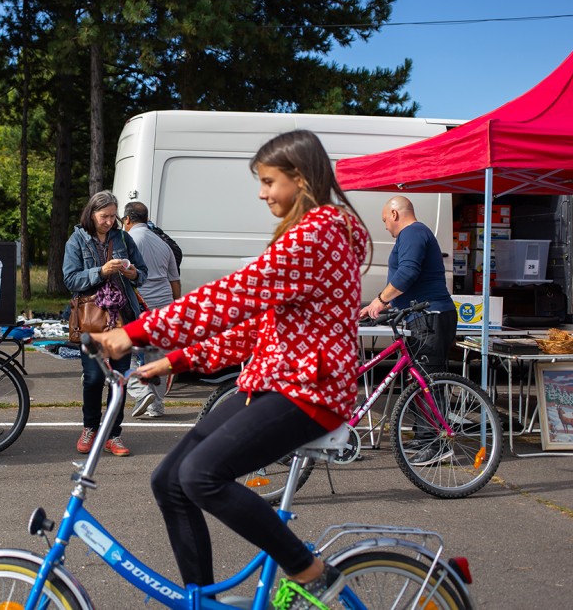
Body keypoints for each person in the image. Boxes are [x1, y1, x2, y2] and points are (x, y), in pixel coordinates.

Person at [95, 130, 369, 608]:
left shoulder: (318, 233)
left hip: (310, 389)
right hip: (276, 382)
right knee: (169, 481)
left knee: (201, 475)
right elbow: (255, 331)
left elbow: (233, 295)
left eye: (268, 181)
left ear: (300, 178)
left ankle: (309, 569)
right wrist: (173, 359)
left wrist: (135, 332)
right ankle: (200, 601)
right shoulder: (309, 233)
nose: (261, 192)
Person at [359, 195, 457, 466]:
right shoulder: (414, 234)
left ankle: (436, 442)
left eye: (384, 221)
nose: (386, 228)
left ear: (394, 213)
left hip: (430, 316)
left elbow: (407, 274)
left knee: (429, 380)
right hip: (421, 315)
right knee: (418, 378)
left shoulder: (413, 232)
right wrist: (377, 308)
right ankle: (424, 435)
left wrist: (380, 301)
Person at [63, 190, 148, 457]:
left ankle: (114, 434)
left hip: (122, 317)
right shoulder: (76, 240)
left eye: (113, 216)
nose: (109, 221)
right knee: (94, 378)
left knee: (119, 378)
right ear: (91, 213)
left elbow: (142, 273)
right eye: (104, 216)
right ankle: (90, 428)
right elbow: (71, 280)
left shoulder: (123, 237)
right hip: (91, 319)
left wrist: (132, 272)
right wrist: (100, 272)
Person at [121, 201, 180, 418]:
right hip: (164, 304)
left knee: (126, 351)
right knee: (157, 354)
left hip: (141, 304)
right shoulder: (163, 243)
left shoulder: (129, 240)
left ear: (127, 219)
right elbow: (174, 280)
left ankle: (141, 391)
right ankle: (156, 405)